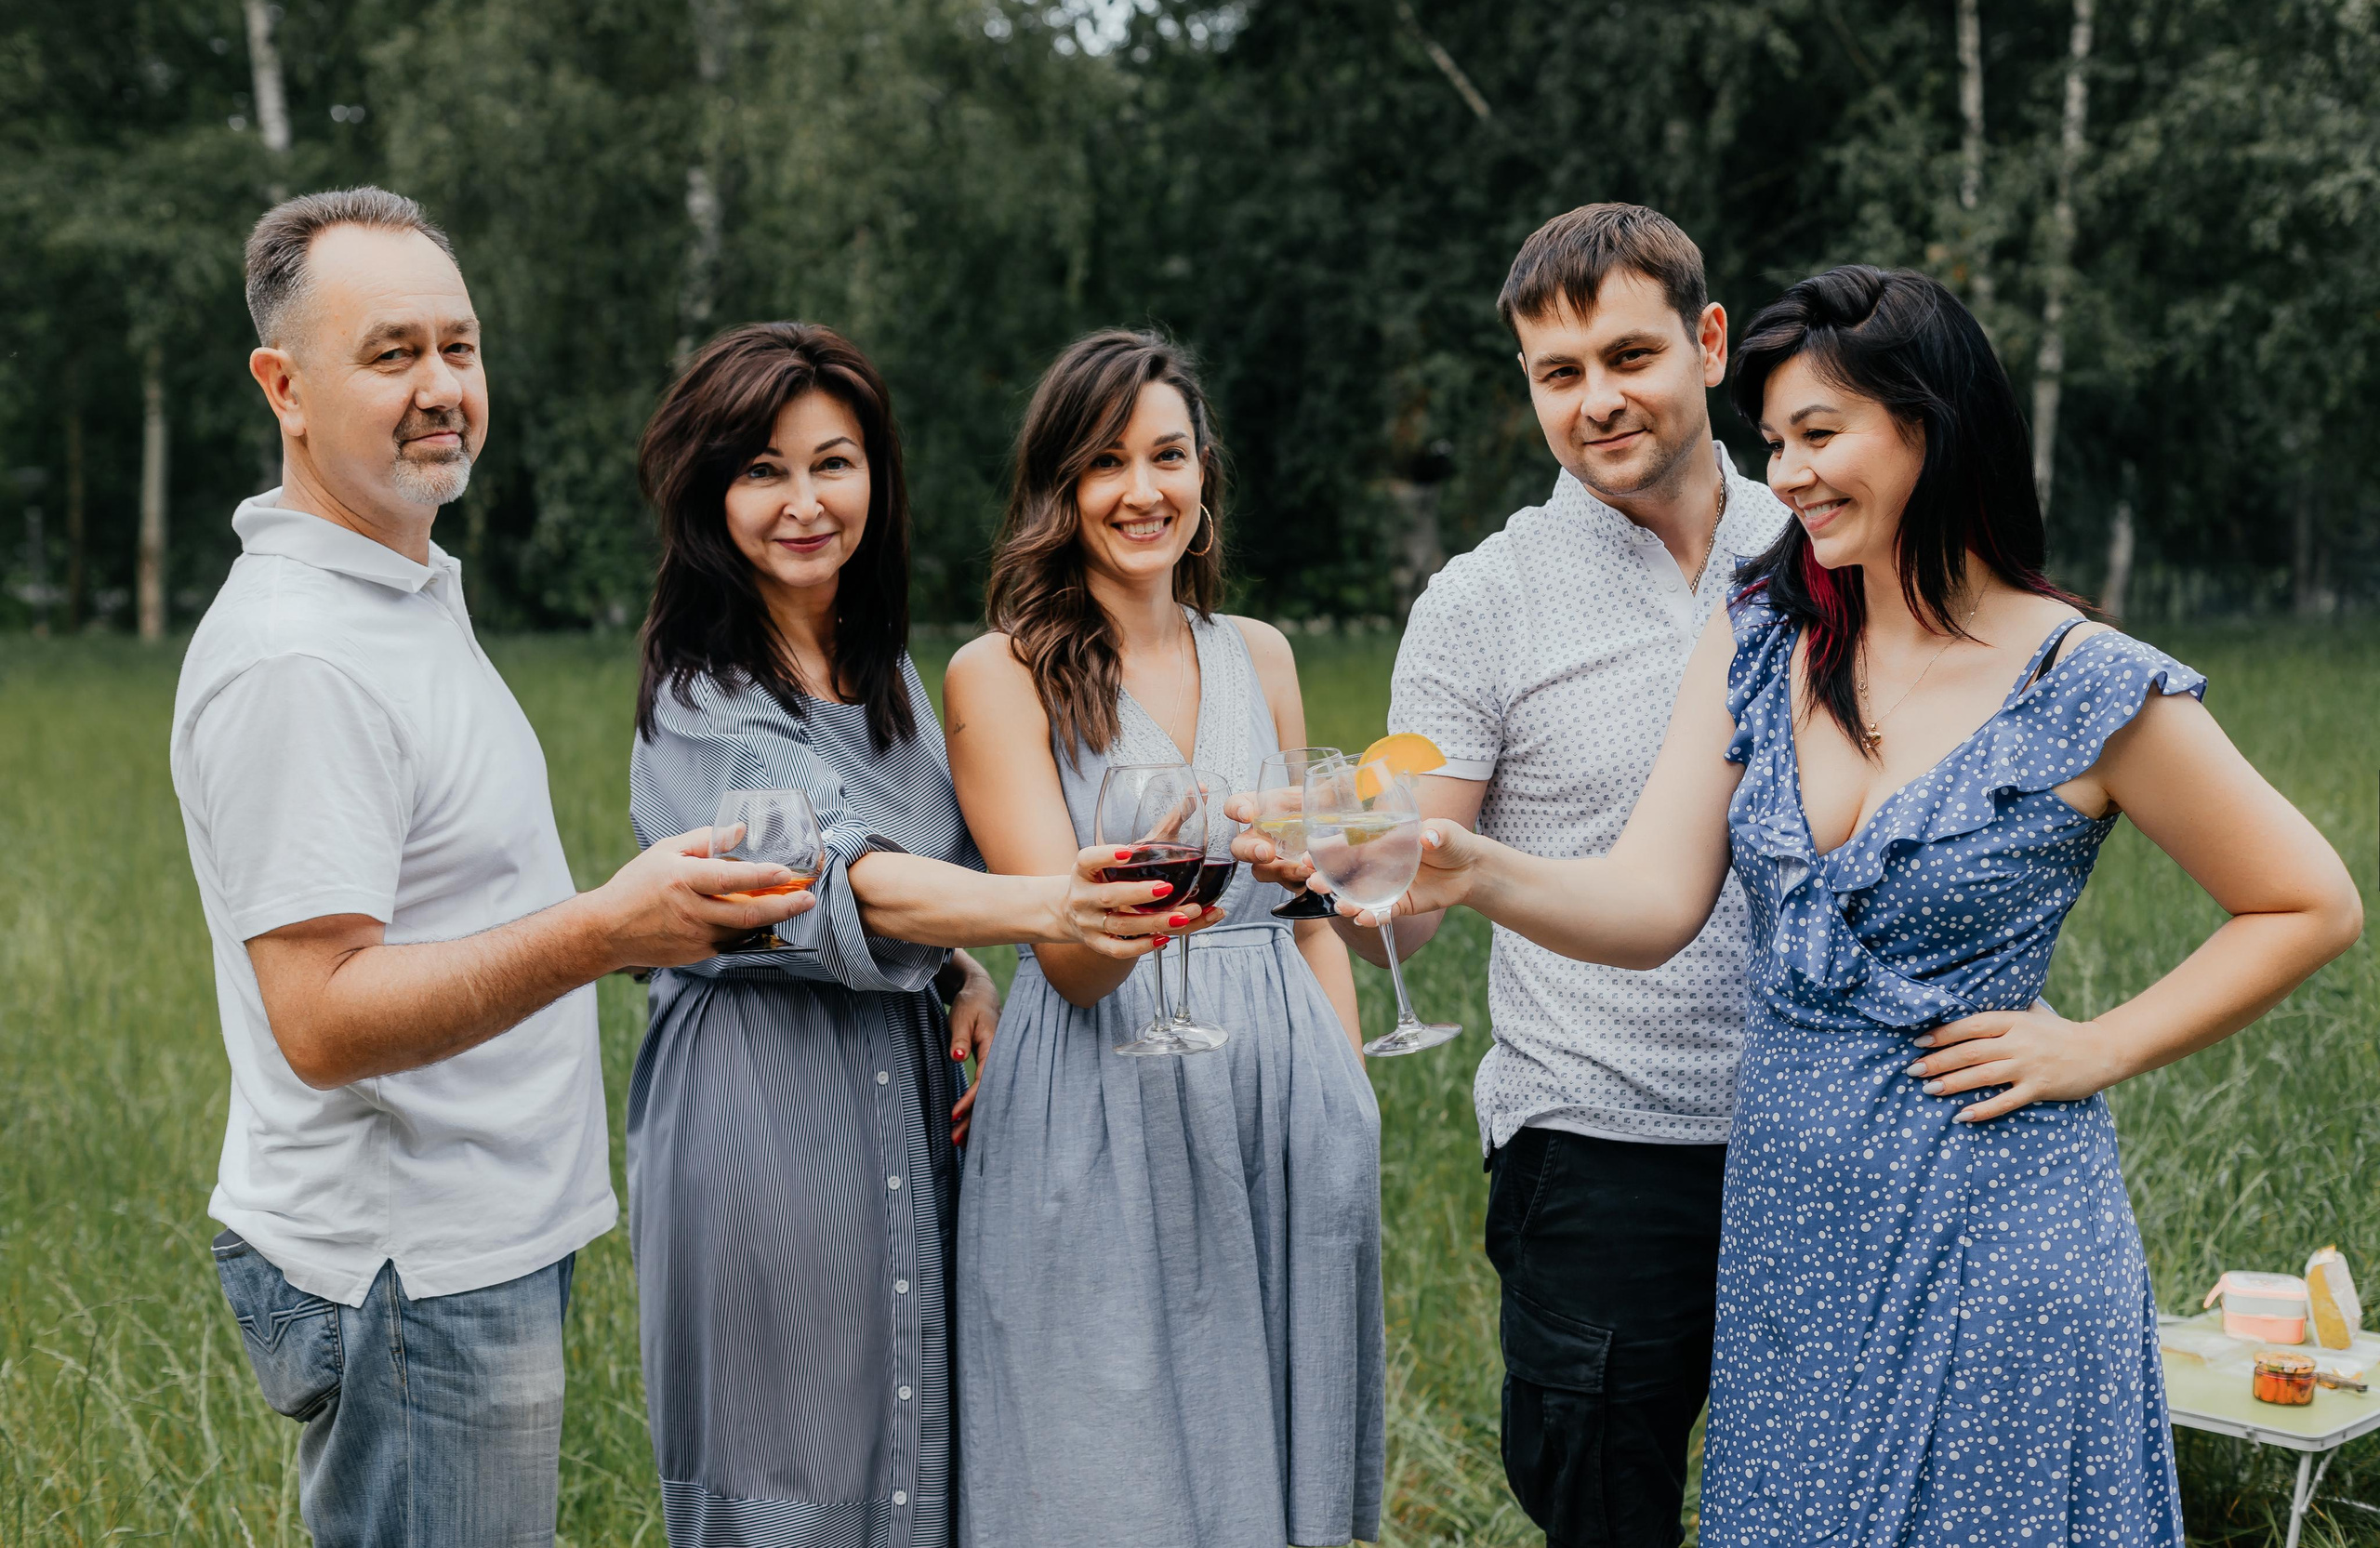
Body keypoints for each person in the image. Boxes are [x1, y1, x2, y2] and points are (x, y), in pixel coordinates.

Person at [1336, 265, 2363, 1543]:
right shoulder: (1763, 633)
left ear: (1930, 427)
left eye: (1822, 436)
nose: (1794, 475)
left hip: (1999, 1228)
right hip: (1796, 1238)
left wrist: (2097, 1044)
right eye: (1777, 443)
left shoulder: (2085, 681)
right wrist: (1475, 867)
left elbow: (2307, 902)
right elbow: (1654, 902)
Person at [172, 188, 815, 1546]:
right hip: (413, 1275)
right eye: (391, 353)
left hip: (468, 1253)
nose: (441, 388)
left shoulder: (392, 589)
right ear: (283, 387)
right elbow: (323, 1020)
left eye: (457, 348)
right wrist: (606, 931)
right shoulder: (302, 655)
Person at [1240, 201, 1790, 1545]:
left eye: (1628, 356)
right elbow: (1410, 895)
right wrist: (1333, 870)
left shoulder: (1818, 540)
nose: (1597, 400)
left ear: (1709, 344)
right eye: (1559, 374)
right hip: (1599, 1146)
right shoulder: (1484, 600)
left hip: (1819, 1129)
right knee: (1607, 1513)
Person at [625, 322, 1185, 1545]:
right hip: (764, 1127)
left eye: (835, 462)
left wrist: (967, 967)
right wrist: (1049, 908)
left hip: (910, 1108)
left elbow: (920, 879)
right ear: (708, 492)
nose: (805, 502)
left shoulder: (885, 681)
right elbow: (832, 876)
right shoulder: (700, 698)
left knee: (913, 1461)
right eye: (762, 470)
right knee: (794, 1477)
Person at [944, 330, 1384, 1547]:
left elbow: (1306, 912)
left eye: (1169, 456)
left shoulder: (1265, 655)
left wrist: (1345, 1097)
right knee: (1101, 1468)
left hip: (1282, 1087)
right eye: (1106, 462)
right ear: (1059, 489)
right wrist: (1141, 888)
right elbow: (1069, 957)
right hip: (1103, 1086)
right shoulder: (999, 674)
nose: (1144, 490)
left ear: (1205, 475)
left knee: (1273, 1467)